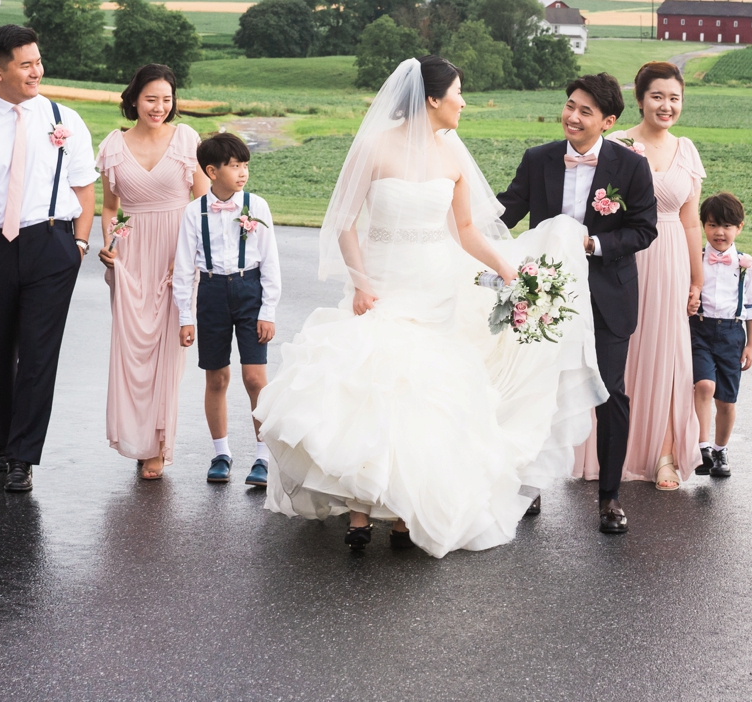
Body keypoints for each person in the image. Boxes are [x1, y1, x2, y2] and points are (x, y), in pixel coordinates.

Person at [254, 56, 604, 556]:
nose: (464, 102)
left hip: (437, 288)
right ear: (433, 99)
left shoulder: (452, 156)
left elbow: (463, 230)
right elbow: (346, 221)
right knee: (373, 386)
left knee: (424, 397)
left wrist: (508, 269)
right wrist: (360, 281)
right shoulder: (374, 147)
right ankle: (358, 511)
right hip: (384, 284)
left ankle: (402, 512)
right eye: (458, 92)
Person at [497, 71, 659, 535]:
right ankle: (531, 485)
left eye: (585, 111)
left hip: (607, 296)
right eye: (570, 105)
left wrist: (593, 246)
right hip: (546, 295)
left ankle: (609, 498)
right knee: (537, 389)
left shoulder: (630, 167)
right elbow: (508, 210)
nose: (572, 116)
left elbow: (644, 229)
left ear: (607, 121)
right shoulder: (538, 159)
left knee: (609, 393)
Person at [0, 24, 98, 494]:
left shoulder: (65, 119)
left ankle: (22, 456)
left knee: (39, 354)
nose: (37, 70)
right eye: (26, 64)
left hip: (52, 246)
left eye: (38, 61)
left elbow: (83, 187)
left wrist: (78, 246)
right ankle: (5, 440)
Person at [586, 61, 704, 492]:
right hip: (624, 259)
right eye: (657, 96)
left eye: (674, 98)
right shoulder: (616, 144)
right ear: (639, 99)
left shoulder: (686, 149)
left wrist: (697, 278)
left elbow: (691, 221)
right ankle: (611, 449)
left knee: (670, 355)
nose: (666, 105)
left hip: (671, 257)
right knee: (622, 354)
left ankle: (665, 453)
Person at [98, 63, 206, 480]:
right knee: (132, 353)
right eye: (150, 99)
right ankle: (138, 440)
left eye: (166, 99)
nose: (159, 107)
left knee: (167, 354)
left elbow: (201, 205)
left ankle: (159, 445)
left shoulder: (186, 140)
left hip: (176, 254)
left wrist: (193, 260)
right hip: (129, 258)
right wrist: (109, 247)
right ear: (133, 99)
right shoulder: (112, 145)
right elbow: (110, 208)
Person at [173, 132, 280, 488]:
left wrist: (268, 310)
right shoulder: (194, 212)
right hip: (212, 293)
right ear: (211, 171)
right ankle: (221, 453)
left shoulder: (257, 206)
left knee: (255, 378)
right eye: (234, 166)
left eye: (245, 165)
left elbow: (271, 262)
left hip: (250, 291)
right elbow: (184, 267)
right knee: (216, 377)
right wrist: (186, 318)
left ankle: (263, 457)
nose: (242, 172)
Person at [690, 193, 752, 478]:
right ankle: (702, 448)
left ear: (739, 227)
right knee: (704, 385)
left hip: (732, 333)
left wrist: (751, 344)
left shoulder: (746, 264)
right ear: (703, 226)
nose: (720, 232)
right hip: (700, 329)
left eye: (727, 226)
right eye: (712, 225)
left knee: (726, 401)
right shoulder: (696, 258)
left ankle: (720, 449)